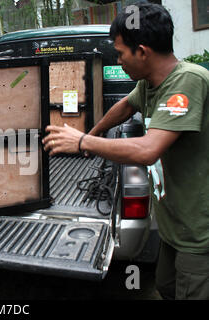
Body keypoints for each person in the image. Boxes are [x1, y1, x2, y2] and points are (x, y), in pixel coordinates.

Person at [42, 2, 208, 300]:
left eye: (120, 54)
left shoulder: (188, 81)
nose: (118, 61)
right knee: (167, 287)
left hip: (200, 230)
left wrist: (82, 142)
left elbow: (148, 150)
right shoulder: (150, 83)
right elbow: (125, 106)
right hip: (176, 225)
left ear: (142, 52)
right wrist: (93, 132)